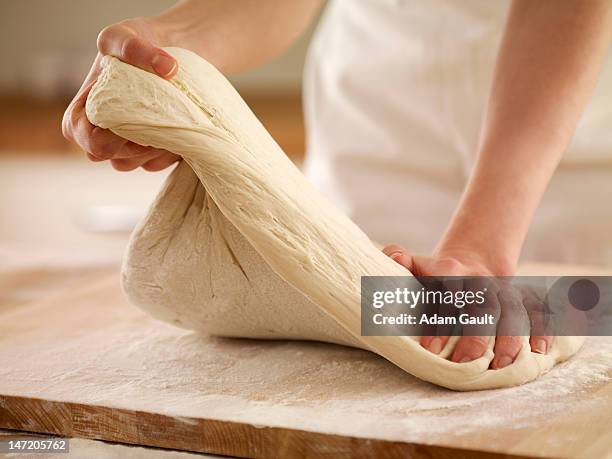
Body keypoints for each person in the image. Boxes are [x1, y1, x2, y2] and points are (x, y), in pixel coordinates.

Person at [63, 0, 612, 369]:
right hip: (372, 132)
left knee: (570, 322)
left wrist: (482, 247)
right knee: (347, 313)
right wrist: (170, 46)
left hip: (558, 171)